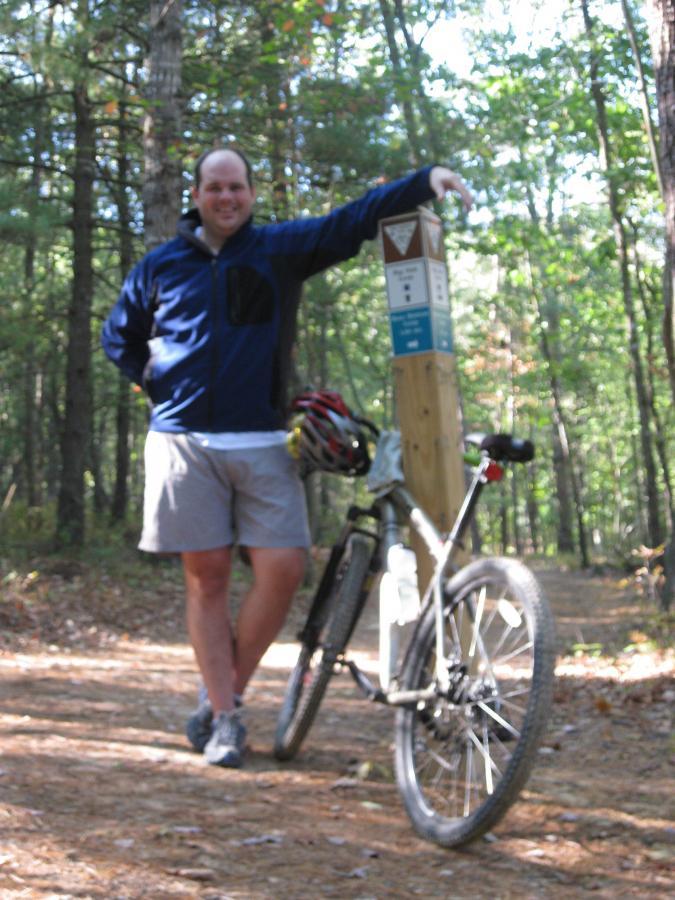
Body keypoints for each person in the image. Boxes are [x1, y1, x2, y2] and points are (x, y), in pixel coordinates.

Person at [101, 147, 473, 768]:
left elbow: (349, 221)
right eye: (215, 188)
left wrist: (423, 184)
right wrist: (157, 383)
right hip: (182, 442)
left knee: (284, 567)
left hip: (263, 439)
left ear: (250, 193)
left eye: (237, 187)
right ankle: (225, 719)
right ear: (196, 195)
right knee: (208, 576)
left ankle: (223, 694)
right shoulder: (159, 267)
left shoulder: (279, 250)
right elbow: (121, 336)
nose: (226, 198)